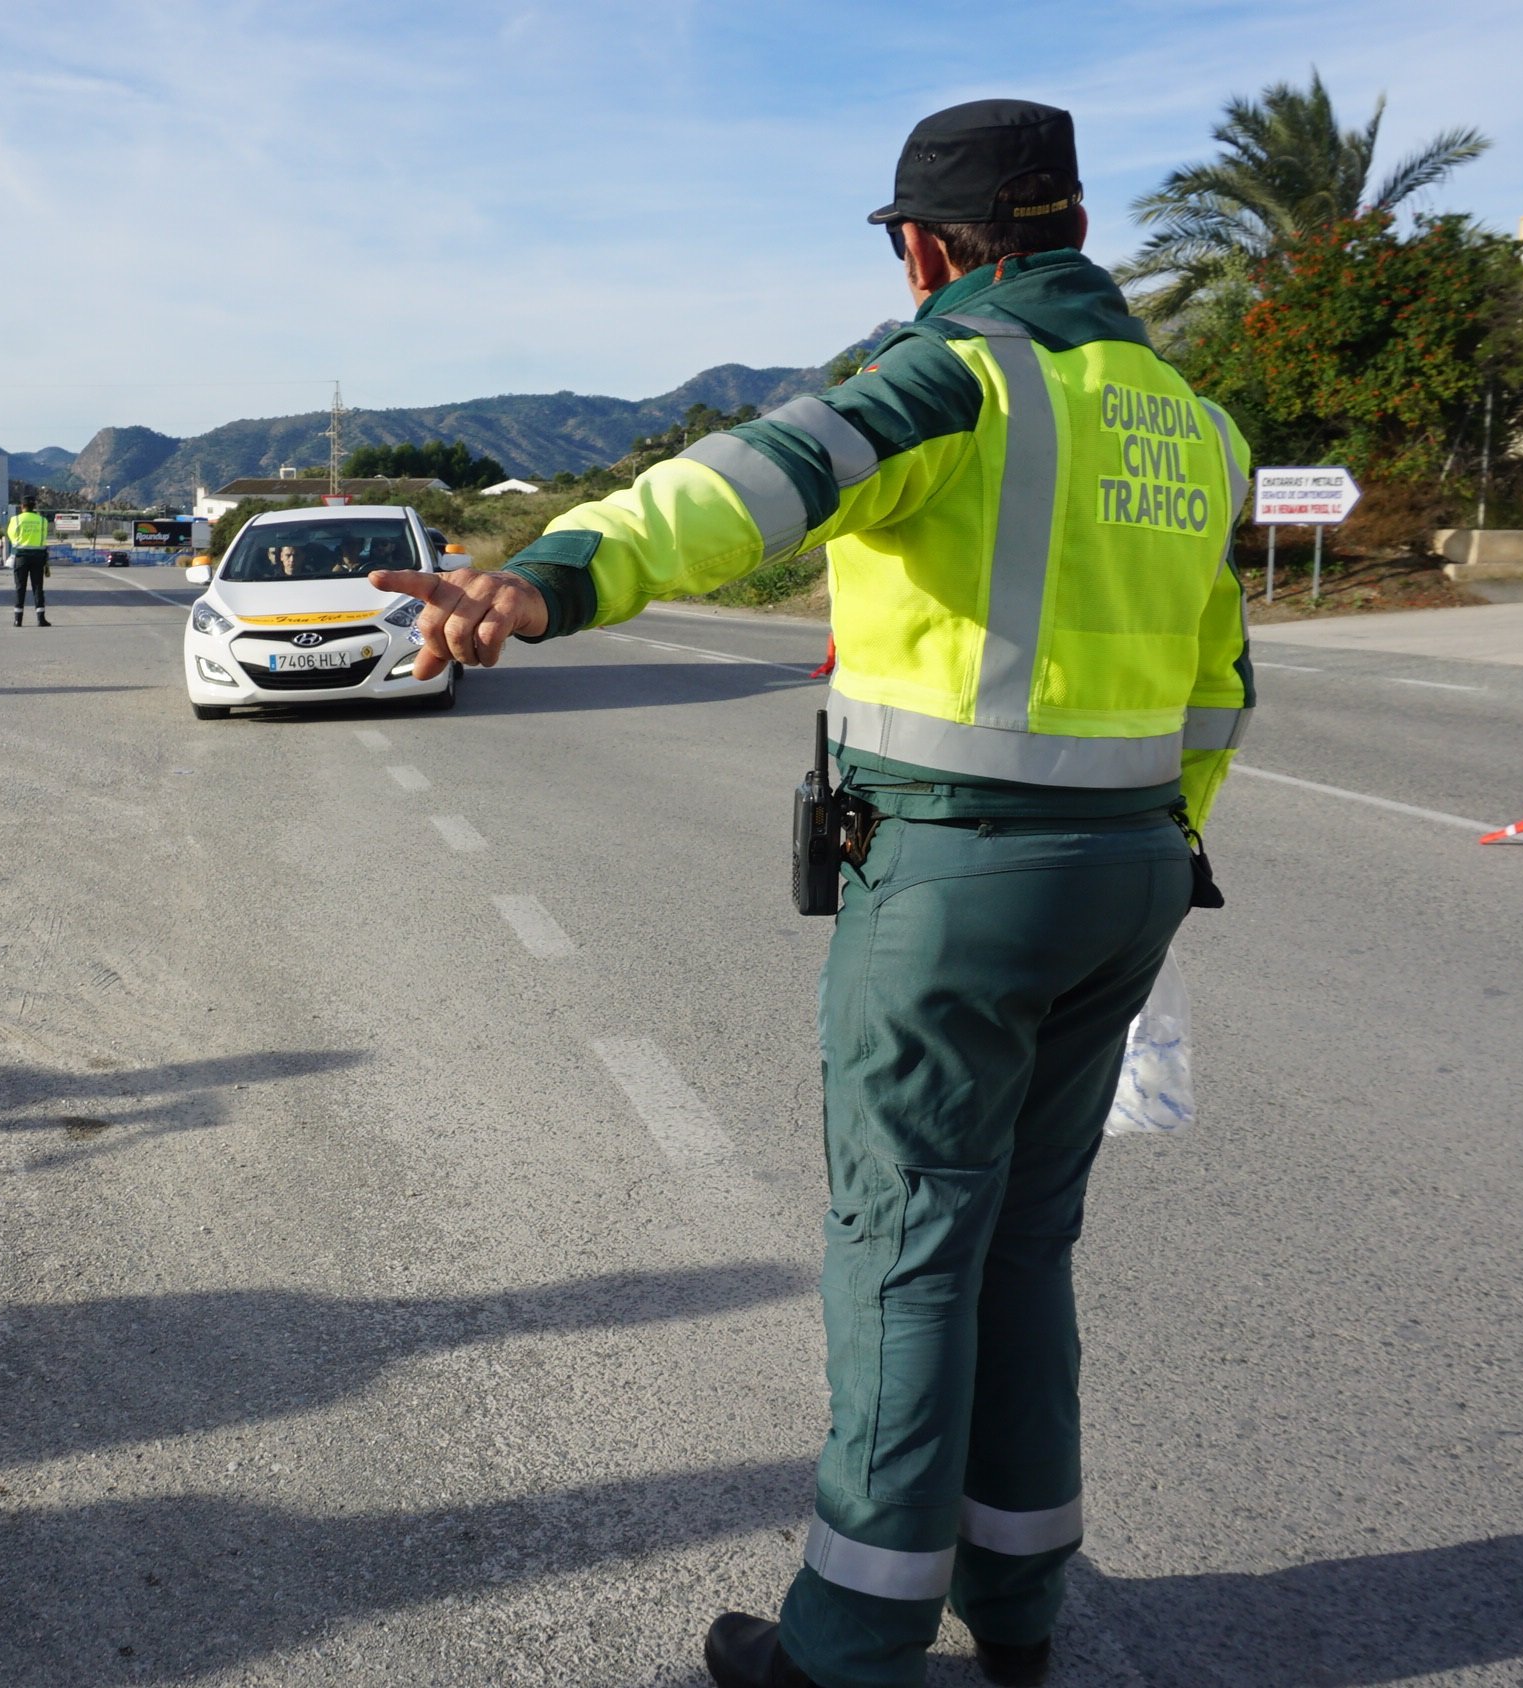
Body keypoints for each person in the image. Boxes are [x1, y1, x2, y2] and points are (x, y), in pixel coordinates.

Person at [369, 98, 1253, 1688]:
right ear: (1068, 224)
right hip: (1131, 872)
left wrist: (546, 577)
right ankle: (1024, 1608)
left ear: (926, 248)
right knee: (1024, 1250)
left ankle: (851, 1640)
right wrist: (1144, 851)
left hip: (957, 879)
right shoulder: (1189, 417)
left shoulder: (955, 373)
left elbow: (751, 480)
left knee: (907, 1247)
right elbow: (1220, 684)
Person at [4, 502, 52, 627]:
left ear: (22, 507)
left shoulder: (15, 520)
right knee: (38, 588)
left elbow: (11, 536)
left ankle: (18, 620)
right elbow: (44, 536)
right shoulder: (42, 520)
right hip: (38, 557)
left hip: (21, 557)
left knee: (20, 587)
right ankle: (41, 619)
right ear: (33, 506)